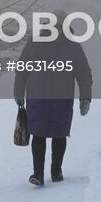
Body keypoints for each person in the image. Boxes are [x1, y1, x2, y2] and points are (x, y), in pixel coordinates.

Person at [12, 13, 93, 187]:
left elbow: (83, 73)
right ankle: (47, 173)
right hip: (46, 98)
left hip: (49, 98)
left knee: (50, 134)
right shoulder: (64, 45)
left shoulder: (68, 46)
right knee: (49, 134)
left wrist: (86, 97)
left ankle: (49, 172)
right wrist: (18, 92)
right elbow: (22, 69)